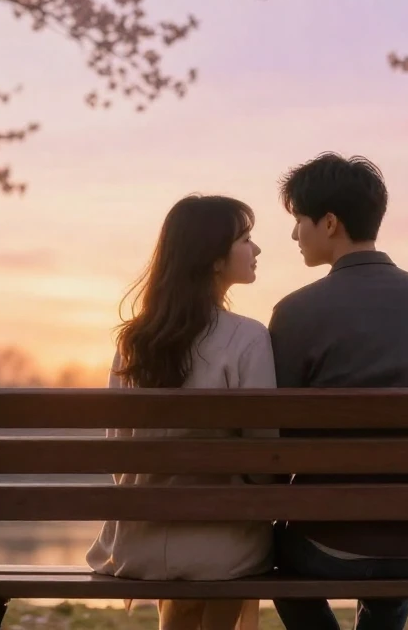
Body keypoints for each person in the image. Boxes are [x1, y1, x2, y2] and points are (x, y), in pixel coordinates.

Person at [267, 153, 408, 630]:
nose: (294, 234)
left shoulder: (296, 312)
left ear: (329, 222)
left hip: (328, 542)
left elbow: (272, 445)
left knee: (269, 552)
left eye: (298, 220)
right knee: (396, 540)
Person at [86, 194, 274, 630]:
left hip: (136, 547)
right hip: (223, 547)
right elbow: (266, 463)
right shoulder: (248, 338)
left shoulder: (135, 341)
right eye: (246, 239)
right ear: (212, 259)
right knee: (228, 549)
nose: (257, 250)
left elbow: (119, 454)